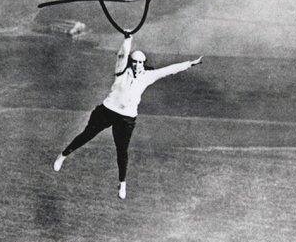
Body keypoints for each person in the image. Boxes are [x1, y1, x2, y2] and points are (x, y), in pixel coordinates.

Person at [53, 34, 202, 199]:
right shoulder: (121, 71)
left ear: (143, 63)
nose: (137, 65)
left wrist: (190, 63)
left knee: (122, 151)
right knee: (86, 135)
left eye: (140, 62)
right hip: (107, 110)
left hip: (127, 118)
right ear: (131, 62)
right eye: (135, 61)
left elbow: (169, 70)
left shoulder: (147, 76)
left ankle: (122, 183)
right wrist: (127, 39)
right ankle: (63, 156)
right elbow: (122, 55)